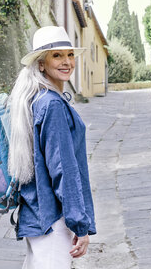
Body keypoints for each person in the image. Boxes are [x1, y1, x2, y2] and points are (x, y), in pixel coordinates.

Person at [7, 26, 96, 269]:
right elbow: (63, 170)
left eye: (69, 54)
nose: (67, 61)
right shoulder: (52, 104)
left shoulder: (36, 99)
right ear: (42, 64)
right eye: (57, 55)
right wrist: (80, 224)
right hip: (53, 220)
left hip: (37, 215)